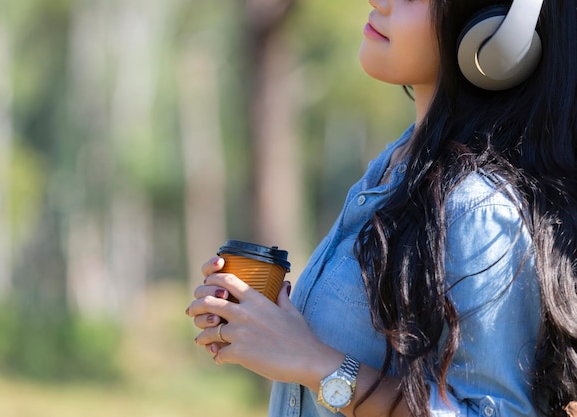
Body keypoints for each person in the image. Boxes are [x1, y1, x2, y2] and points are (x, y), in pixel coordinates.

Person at [185, 0, 577, 415]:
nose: (378, 0)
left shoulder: (477, 207)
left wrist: (313, 361)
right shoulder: (393, 170)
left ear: (500, 28)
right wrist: (268, 324)